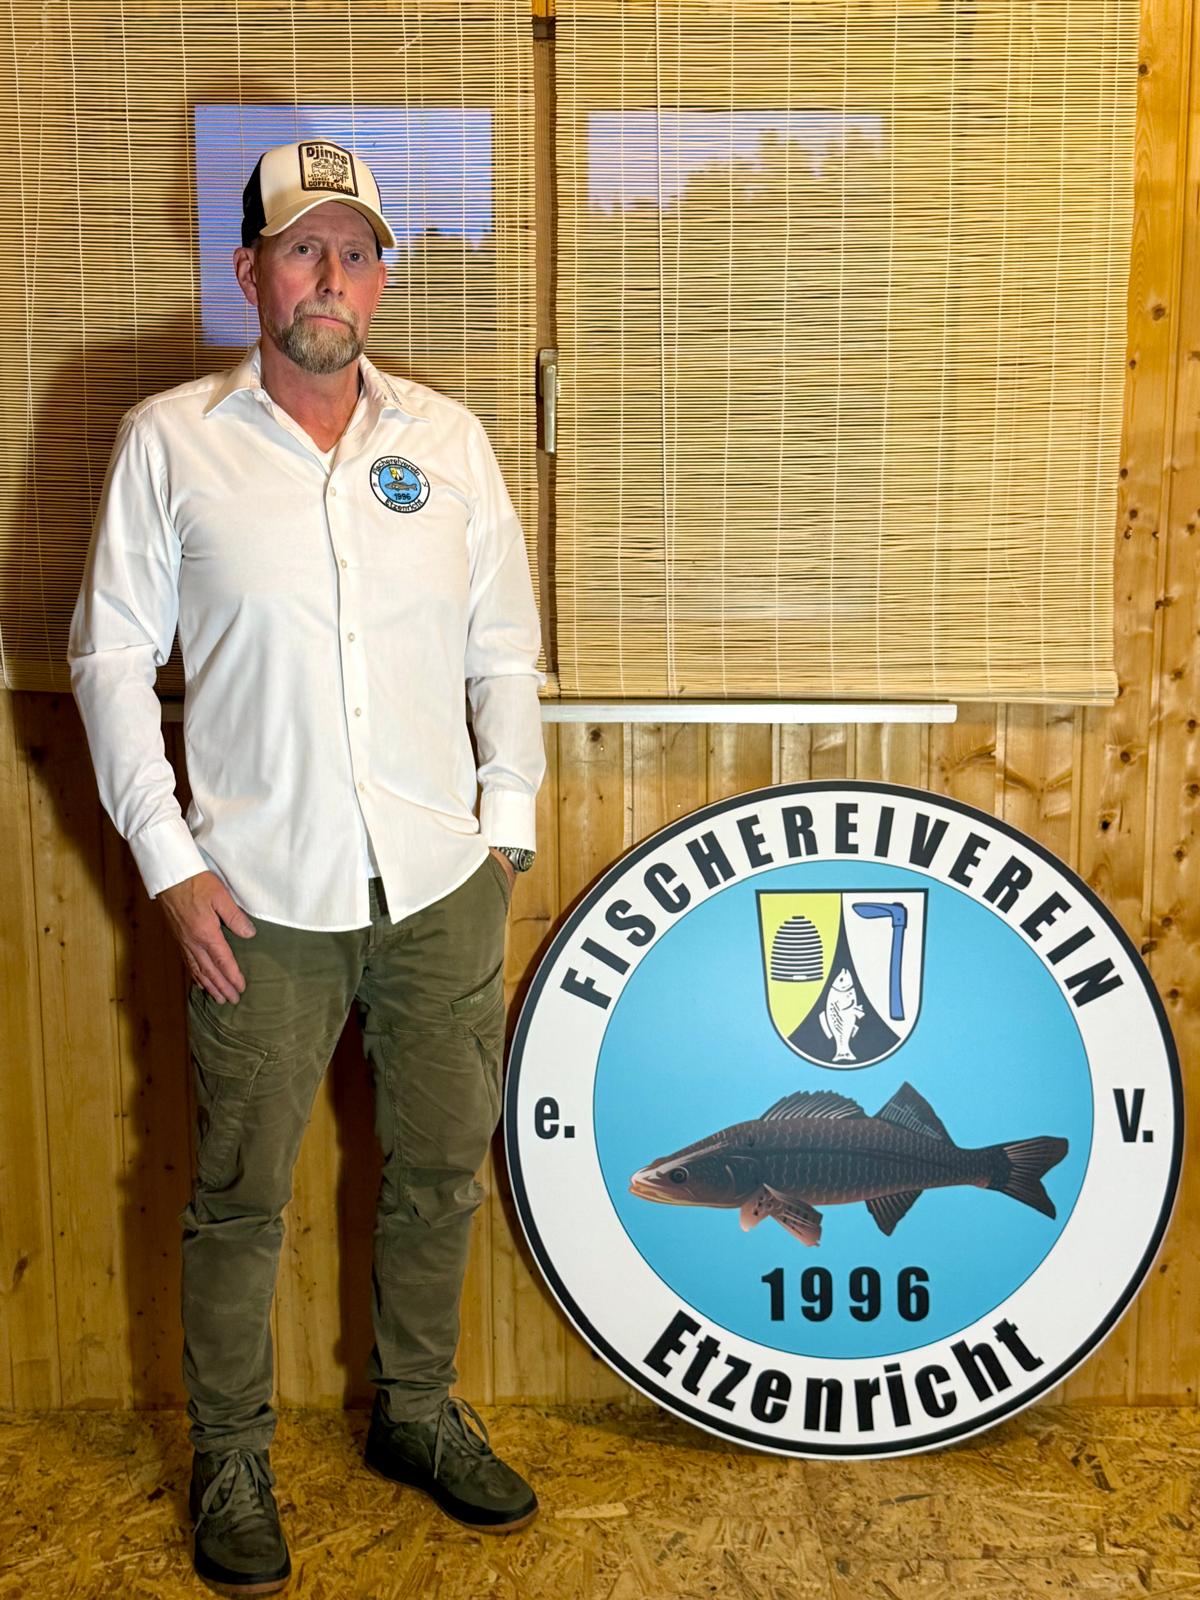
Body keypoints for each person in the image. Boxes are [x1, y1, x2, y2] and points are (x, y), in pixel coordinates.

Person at [67, 139, 546, 1596]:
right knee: (237, 1193)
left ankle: (415, 1412)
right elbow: (108, 658)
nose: (329, 276)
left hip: (440, 885)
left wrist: (506, 831)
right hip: (257, 901)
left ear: (381, 277)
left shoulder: (449, 443)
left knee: (440, 1169)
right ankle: (231, 1455)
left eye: (354, 251)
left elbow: (504, 649)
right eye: (299, 249)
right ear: (250, 275)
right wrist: (170, 864)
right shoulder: (172, 442)